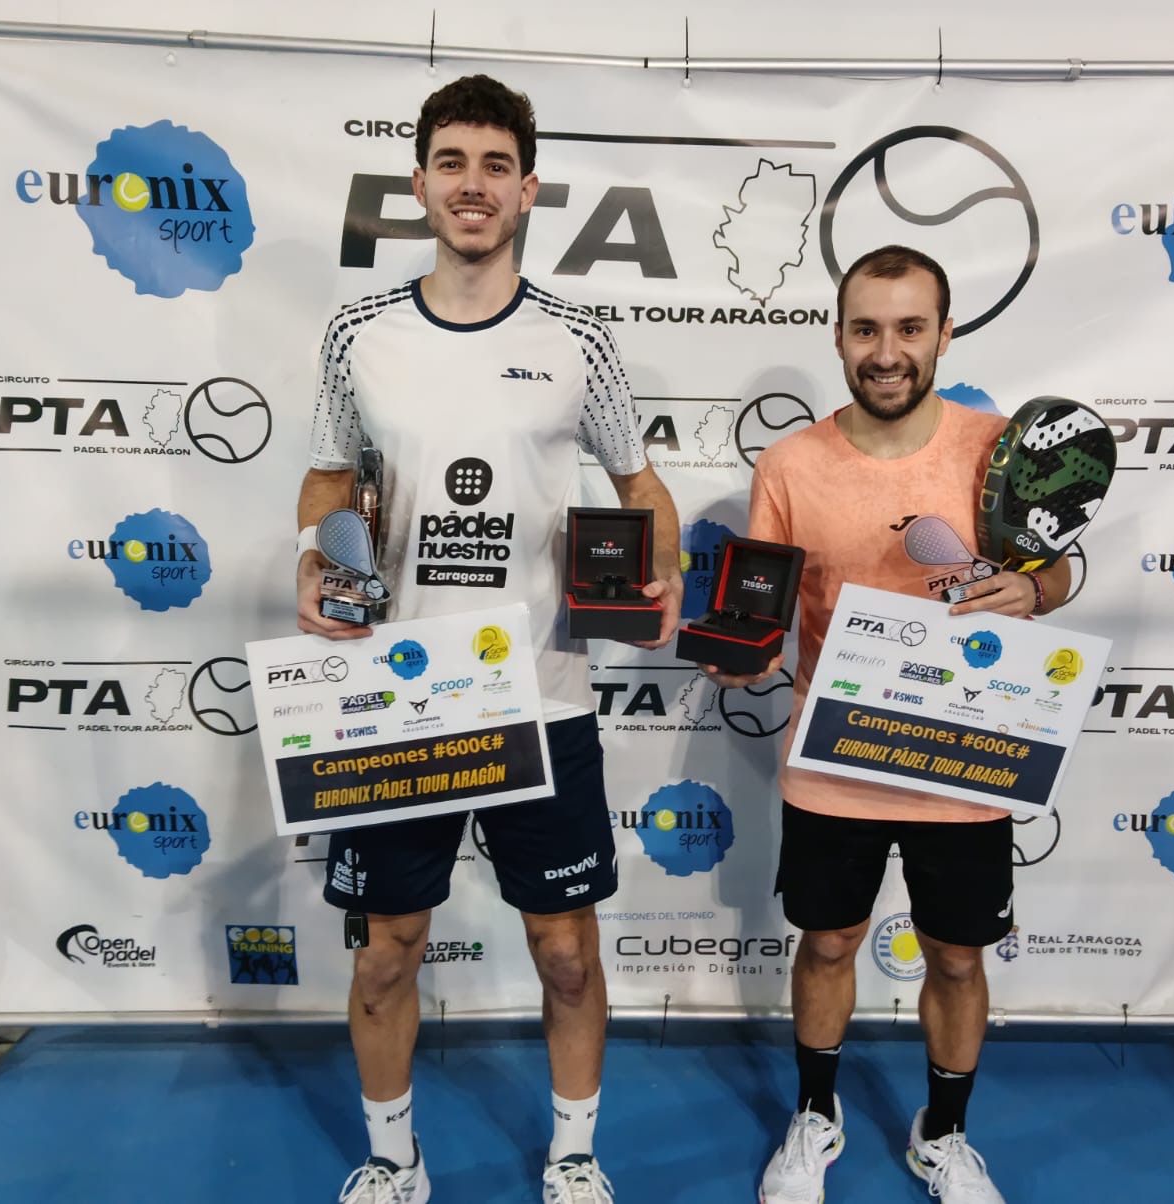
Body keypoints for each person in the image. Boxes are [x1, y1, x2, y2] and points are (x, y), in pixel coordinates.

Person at [297, 74, 681, 1204]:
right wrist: (314, 560)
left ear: (528, 190)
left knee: (565, 953)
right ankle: (393, 1160)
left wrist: (658, 567)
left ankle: (574, 1155)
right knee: (386, 954)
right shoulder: (357, 334)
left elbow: (640, 488)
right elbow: (327, 479)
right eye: (453, 163)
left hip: (542, 699)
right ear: (418, 183)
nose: (474, 185)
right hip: (398, 694)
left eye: (496, 166)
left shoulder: (579, 339)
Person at [703, 245, 1072, 1204]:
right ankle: (815, 1116)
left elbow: (1060, 569)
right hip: (837, 760)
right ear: (839, 336)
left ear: (945, 333)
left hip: (967, 755)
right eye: (866, 329)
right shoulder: (790, 464)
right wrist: (740, 647)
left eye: (910, 328)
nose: (887, 351)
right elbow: (760, 605)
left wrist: (1035, 590)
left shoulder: (998, 450)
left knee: (956, 954)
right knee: (828, 944)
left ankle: (943, 1134)